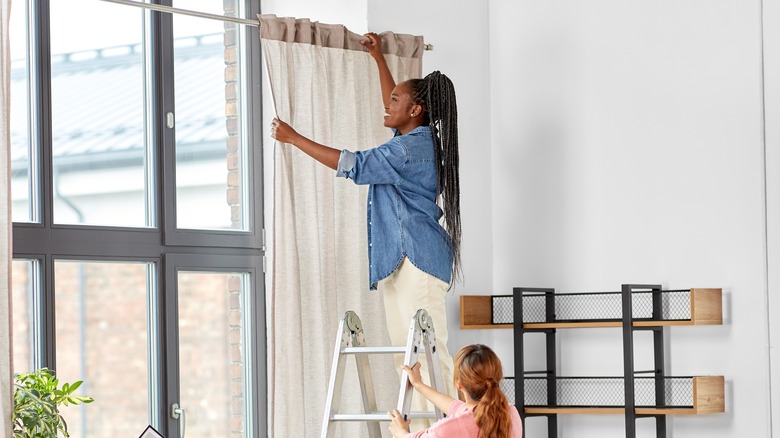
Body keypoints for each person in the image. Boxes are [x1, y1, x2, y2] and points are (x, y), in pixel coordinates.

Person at [269, 32, 462, 428]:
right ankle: (418, 433)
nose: (386, 105)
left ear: (416, 110)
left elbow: (353, 164)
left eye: (395, 102)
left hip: (418, 260)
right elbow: (396, 104)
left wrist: (292, 138)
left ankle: (450, 431)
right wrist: (378, 59)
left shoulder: (407, 150)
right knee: (407, 360)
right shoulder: (413, 136)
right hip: (402, 260)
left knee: (429, 356)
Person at [387, 344, 523, 438]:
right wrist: (419, 385)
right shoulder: (510, 413)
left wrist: (400, 432)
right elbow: (458, 408)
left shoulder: (446, 429)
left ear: (459, 384)